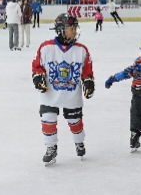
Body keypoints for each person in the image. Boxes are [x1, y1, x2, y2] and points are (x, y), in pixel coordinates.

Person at [31, 13, 95, 166]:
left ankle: (79, 141)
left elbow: (87, 71)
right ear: (60, 30)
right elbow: (37, 66)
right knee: (48, 118)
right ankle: (50, 148)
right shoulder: (46, 47)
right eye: (70, 28)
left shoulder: (82, 50)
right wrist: (38, 77)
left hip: (71, 94)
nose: (74, 31)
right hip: (49, 93)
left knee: (75, 121)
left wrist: (88, 83)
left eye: (74, 28)